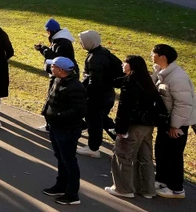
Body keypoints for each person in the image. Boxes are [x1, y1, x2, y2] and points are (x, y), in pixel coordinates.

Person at [107, 55, 162, 199]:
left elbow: (126, 108)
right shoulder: (147, 81)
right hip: (147, 126)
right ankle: (147, 190)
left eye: (125, 62)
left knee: (123, 156)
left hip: (133, 125)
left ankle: (123, 189)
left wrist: (120, 128)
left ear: (132, 66)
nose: (122, 64)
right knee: (145, 158)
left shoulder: (130, 82)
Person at [41, 56, 87, 206]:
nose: (50, 68)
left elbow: (79, 110)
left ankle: (72, 194)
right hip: (56, 127)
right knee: (61, 158)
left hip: (67, 129)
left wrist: (58, 116)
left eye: (53, 66)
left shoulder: (75, 87)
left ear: (61, 70)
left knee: (69, 161)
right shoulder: (57, 80)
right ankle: (61, 186)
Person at [152, 43, 194, 199]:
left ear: (163, 57)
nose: (151, 56)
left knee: (174, 155)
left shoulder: (177, 77)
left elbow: (183, 104)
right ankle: (162, 180)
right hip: (167, 122)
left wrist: (175, 126)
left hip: (178, 124)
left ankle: (176, 189)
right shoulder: (163, 72)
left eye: (153, 53)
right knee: (162, 150)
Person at [78, 30, 123, 158]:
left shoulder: (94, 58)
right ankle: (121, 142)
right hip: (108, 93)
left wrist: (86, 95)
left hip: (97, 96)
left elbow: (94, 81)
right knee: (103, 118)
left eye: (82, 41)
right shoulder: (104, 52)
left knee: (94, 120)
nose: (81, 44)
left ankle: (93, 148)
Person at [35, 18, 77, 132]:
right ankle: (51, 124)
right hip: (58, 75)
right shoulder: (60, 40)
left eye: (47, 31)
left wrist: (44, 49)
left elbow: (57, 58)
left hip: (60, 76)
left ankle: (51, 125)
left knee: (54, 101)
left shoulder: (62, 42)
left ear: (51, 31)